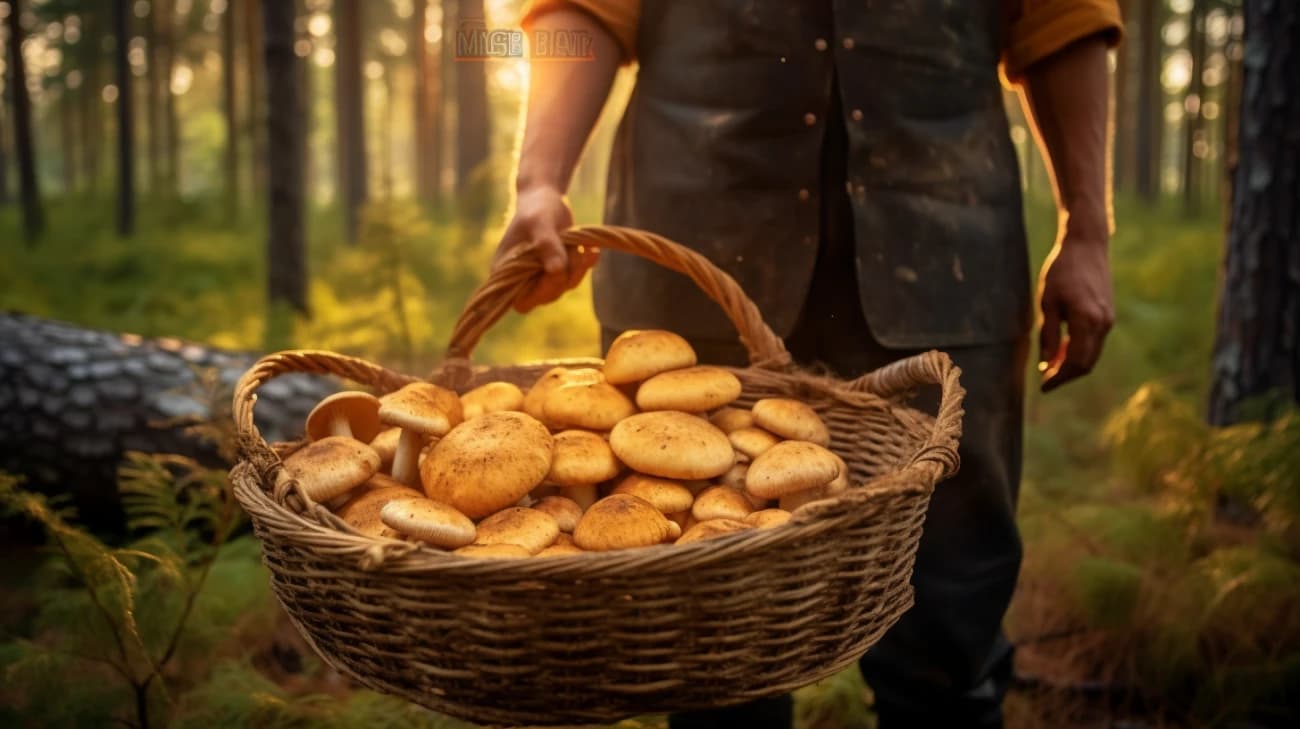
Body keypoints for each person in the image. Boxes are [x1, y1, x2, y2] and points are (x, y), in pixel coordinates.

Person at [492, 2, 1122, 727]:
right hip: (698, 265)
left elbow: (1064, 17)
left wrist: (1087, 228)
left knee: (952, 608)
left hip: (946, 258)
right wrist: (539, 178)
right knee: (713, 634)